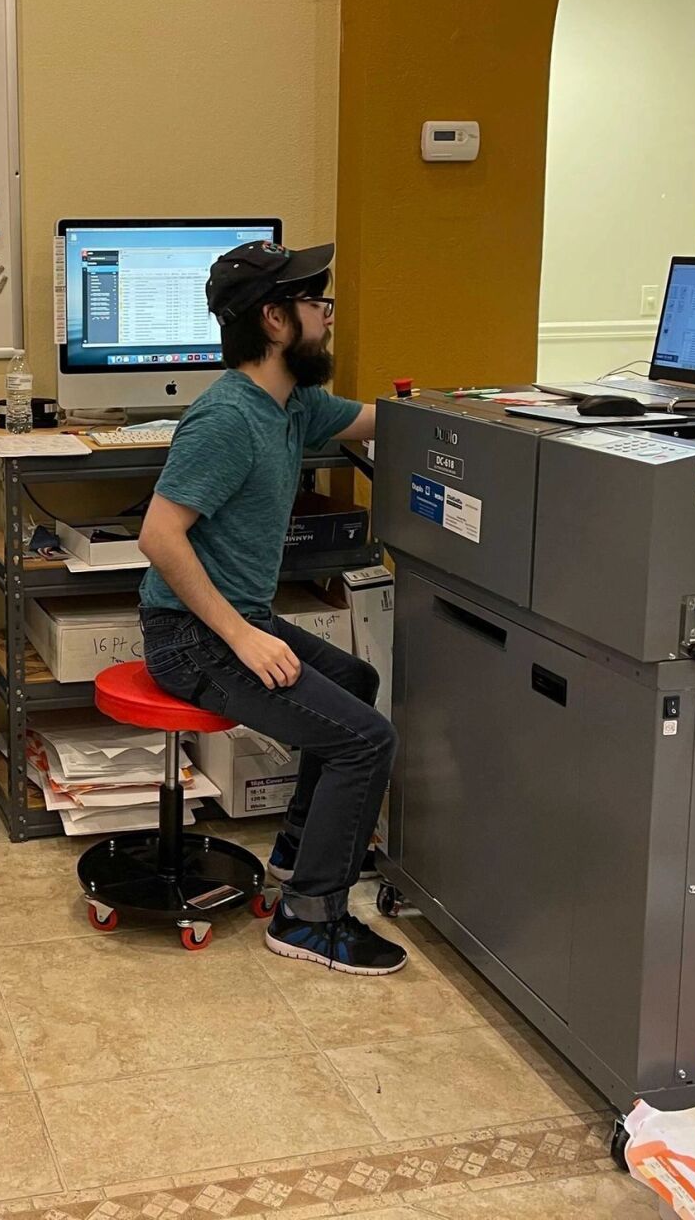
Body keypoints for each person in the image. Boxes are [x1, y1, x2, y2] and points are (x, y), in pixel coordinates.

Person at [136, 239, 403, 975]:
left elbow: (370, 420)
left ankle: (296, 851)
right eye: (320, 306)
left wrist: (477, 408)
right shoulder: (228, 420)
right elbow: (160, 536)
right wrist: (243, 638)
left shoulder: (294, 404)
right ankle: (310, 917)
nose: (329, 320)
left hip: (232, 623)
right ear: (277, 321)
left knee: (354, 686)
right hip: (193, 638)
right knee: (366, 739)